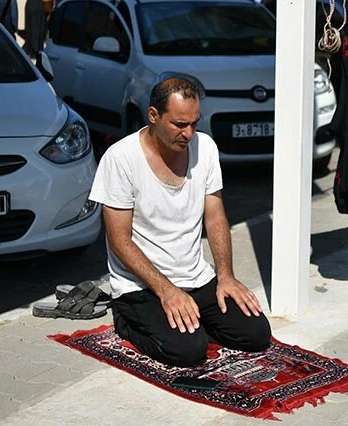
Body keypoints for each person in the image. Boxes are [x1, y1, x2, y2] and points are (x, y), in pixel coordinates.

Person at [88, 77, 272, 368]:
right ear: (153, 116)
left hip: (195, 277)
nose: (188, 133)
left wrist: (226, 276)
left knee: (256, 333)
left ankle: (193, 317)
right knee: (188, 351)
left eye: (194, 123)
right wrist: (167, 291)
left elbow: (215, 216)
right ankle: (127, 321)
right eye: (179, 125)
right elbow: (119, 240)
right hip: (142, 286)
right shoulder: (120, 158)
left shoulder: (206, 148)